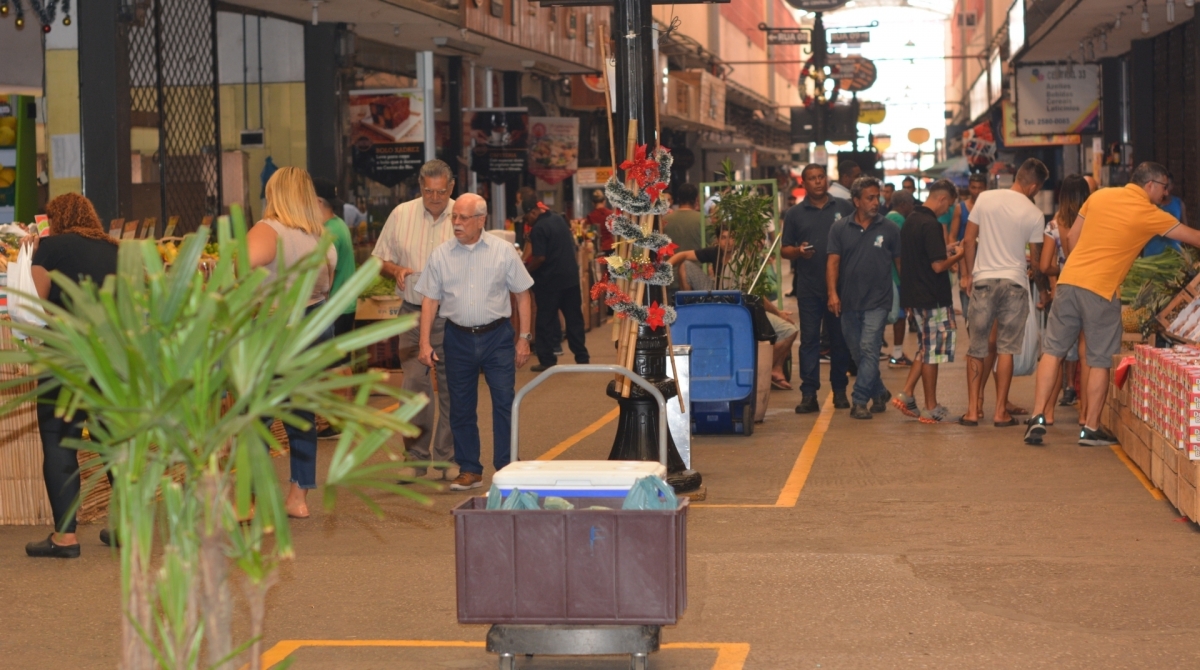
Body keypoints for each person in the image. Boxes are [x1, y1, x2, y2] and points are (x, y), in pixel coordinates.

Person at [1026, 162, 1200, 446]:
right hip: (1102, 290)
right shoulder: (1149, 212)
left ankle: (1036, 417)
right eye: (1164, 187)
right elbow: (1192, 237)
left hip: (1069, 282)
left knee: (1053, 351)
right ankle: (1091, 428)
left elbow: (1071, 237)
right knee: (1098, 361)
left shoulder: (1099, 195)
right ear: (1151, 185)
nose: (1165, 194)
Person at [23, 193, 120, 558]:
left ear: (55, 219)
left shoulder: (50, 248)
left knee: (59, 440)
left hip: (64, 355)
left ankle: (65, 537)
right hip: (110, 357)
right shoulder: (115, 249)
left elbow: (37, 304)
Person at [416, 194, 534, 491]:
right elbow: (430, 300)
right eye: (454, 217)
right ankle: (469, 469)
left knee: (505, 402)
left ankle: (508, 466)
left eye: (463, 218)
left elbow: (523, 294)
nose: (456, 223)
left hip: (498, 338)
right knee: (460, 406)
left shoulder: (504, 252)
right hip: (456, 338)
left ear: (481, 220)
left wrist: (524, 338)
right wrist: (424, 343)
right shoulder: (440, 255)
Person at [246, 166, 338, 519]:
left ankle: (250, 498)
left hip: (277, 330)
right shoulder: (321, 238)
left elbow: (241, 266)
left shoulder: (269, 230)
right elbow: (325, 285)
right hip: (314, 328)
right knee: (302, 415)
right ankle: (298, 496)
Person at [372, 160, 456, 480]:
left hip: (451, 317)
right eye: (428, 191)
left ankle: (447, 458)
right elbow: (380, 257)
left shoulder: (460, 215)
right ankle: (416, 457)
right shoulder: (401, 214)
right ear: (420, 187)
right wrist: (395, 270)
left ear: (451, 188)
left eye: (440, 191)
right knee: (414, 387)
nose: (434, 198)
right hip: (411, 313)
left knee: (452, 388)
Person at [960, 158, 1048, 427]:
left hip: (984, 280)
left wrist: (970, 274)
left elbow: (967, 240)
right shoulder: (1034, 213)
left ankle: (973, 412)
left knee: (977, 348)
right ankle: (1000, 412)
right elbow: (1035, 260)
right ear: (1033, 185)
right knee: (1006, 349)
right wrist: (1042, 289)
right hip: (1015, 285)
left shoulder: (985, 198)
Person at [781, 164, 855, 413]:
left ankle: (841, 391)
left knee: (839, 341)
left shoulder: (844, 207)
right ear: (804, 183)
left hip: (840, 288)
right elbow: (785, 249)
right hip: (809, 288)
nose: (817, 182)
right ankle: (809, 394)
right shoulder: (794, 214)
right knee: (810, 342)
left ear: (827, 179)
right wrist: (798, 252)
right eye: (812, 179)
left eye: (821, 177)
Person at [827, 176, 901, 420]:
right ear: (856, 201)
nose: (876, 202)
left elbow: (900, 264)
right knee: (858, 352)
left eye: (877, 197)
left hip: (878, 301)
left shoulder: (889, 228)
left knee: (869, 348)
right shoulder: (839, 228)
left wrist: (908, 296)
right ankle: (879, 392)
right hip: (848, 301)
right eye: (870, 198)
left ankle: (859, 401)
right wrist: (833, 293)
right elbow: (833, 263)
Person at [892, 180, 965, 424]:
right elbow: (936, 266)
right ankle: (930, 406)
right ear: (942, 199)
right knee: (933, 353)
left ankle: (908, 393)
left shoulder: (911, 219)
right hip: (933, 298)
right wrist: (959, 256)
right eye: (949, 204)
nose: (947, 210)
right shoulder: (931, 223)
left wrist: (946, 249)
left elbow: (921, 257)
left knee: (925, 347)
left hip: (915, 296)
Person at [1037, 175, 1091, 425]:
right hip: (1092, 289)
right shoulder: (1093, 222)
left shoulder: (1054, 225)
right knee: (1087, 354)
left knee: (1055, 353)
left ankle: (1047, 414)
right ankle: (1085, 416)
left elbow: (1044, 265)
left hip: (1064, 291)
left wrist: (1063, 266)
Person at [524, 198, 589, 372]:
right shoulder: (558, 218)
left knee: (544, 321)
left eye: (526, 218)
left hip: (549, 282)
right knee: (574, 319)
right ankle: (582, 358)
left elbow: (540, 257)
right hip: (570, 279)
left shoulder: (538, 228)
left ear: (533, 212)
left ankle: (547, 360)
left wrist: (527, 271)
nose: (527, 222)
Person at [885, 191, 917, 368]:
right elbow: (902, 255)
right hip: (895, 277)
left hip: (886, 275)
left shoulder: (887, 218)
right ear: (904, 204)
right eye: (911, 203)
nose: (912, 207)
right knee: (899, 316)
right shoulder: (899, 222)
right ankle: (897, 354)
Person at [952, 173, 988, 317]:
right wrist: (954, 259)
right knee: (966, 292)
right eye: (974, 187)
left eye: (980, 188)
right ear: (969, 188)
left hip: (985, 259)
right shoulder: (960, 208)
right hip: (965, 260)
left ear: (985, 188)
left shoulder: (989, 208)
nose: (977, 191)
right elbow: (953, 235)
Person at [1142, 174, 1185, 256]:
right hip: (1151, 255)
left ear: (1172, 186)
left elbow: (1184, 227)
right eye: (1162, 187)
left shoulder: (1179, 204)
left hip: (1173, 255)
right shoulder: (1149, 204)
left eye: (1167, 186)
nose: (1165, 191)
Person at [585, 189, 614, 255]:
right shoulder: (610, 214)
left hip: (597, 249)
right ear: (604, 201)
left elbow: (589, 235)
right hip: (610, 246)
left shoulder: (590, 216)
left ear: (593, 203)